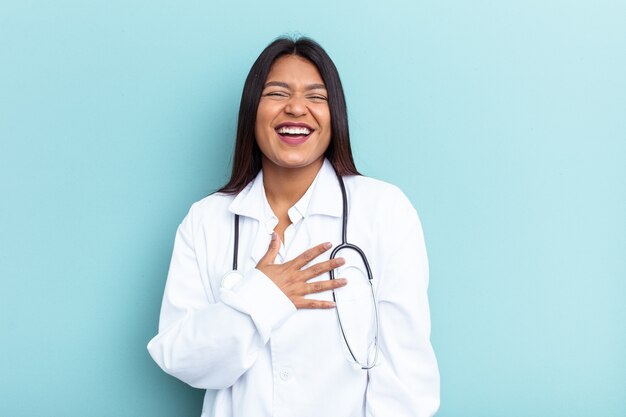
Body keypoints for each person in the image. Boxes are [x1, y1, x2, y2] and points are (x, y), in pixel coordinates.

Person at [147, 36, 440, 417]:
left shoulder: (385, 210)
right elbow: (182, 358)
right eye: (277, 93)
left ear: (335, 115)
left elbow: (408, 380)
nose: (296, 108)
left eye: (316, 97)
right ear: (252, 110)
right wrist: (261, 295)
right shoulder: (206, 220)